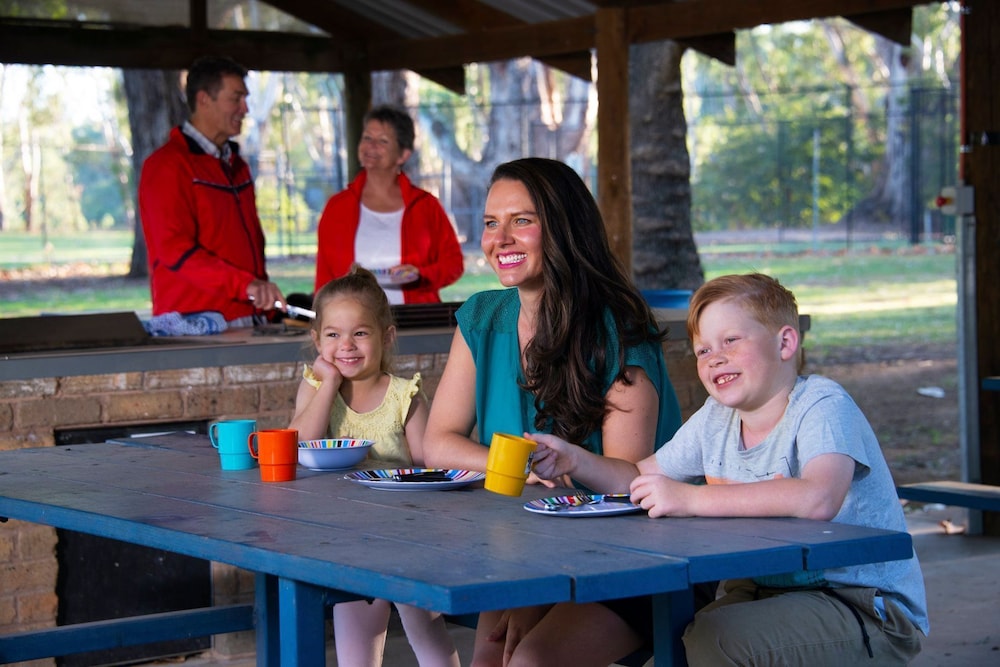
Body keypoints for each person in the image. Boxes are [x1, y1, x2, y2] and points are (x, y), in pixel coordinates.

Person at [531, 273, 929, 666]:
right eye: (703, 349)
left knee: (715, 642)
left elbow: (819, 497)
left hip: (863, 605)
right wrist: (575, 460)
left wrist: (691, 498)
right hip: (764, 593)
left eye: (731, 341)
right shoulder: (716, 418)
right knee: (672, 657)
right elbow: (640, 478)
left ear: (785, 343)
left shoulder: (821, 406)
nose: (714, 357)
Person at [423, 157, 683, 666]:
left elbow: (628, 483)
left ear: (563, 228)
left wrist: (542, 593)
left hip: (635, 555)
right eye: (491, 223)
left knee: (529, 662)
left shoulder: (618, 331)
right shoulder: (482, 316)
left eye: (522, 220)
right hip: (526, 546)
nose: (500, 239)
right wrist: (519, 466)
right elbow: (439, 442)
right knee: (488, 663)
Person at [289, 266, 458, 667]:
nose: (346, 345)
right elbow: (296, 446)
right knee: (356, 653)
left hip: (406, 537)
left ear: (387, 336)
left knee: (429, 639)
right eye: (333, 335)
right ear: (317, 340)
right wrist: (328, 383)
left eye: (360, 333)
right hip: (345, 539)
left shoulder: (404, 396)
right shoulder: (315, 387)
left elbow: (429, 466)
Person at [138, 55, 285, 328]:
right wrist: (245, 286)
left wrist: (262, 301)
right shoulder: (166, 166)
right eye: (236, 98)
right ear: (204, 99)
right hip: (195, 327)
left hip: (248, 320)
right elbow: (174, 250)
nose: (245, 109)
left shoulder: (237, 165)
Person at [314, 105, 464, 305]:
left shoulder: (426, 206)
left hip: (415, 317)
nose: (371, 146)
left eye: (383, 141)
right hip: (354, 320)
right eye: (367, 137)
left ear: (403, 155)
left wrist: (420, 275)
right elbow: (324, 278)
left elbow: (454, 264)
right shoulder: (337, 207)